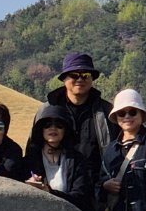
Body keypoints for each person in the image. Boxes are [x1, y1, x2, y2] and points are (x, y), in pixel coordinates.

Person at [43, 52, 116, 187]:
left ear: (92, 79)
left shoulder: (106, 112)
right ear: (64, 79)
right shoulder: (48, 111)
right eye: (74, 75)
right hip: (55, 189)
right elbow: (34, 148)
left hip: (97, 192)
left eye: (85, 75)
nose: (80, 79)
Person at [23, 106, 96, 211]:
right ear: (41, 130)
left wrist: (49, 192)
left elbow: (80, 197)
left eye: (59, 125)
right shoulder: (30, 160)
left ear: (65, 130)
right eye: (47, 125)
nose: (53, 128)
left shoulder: (77, 160)